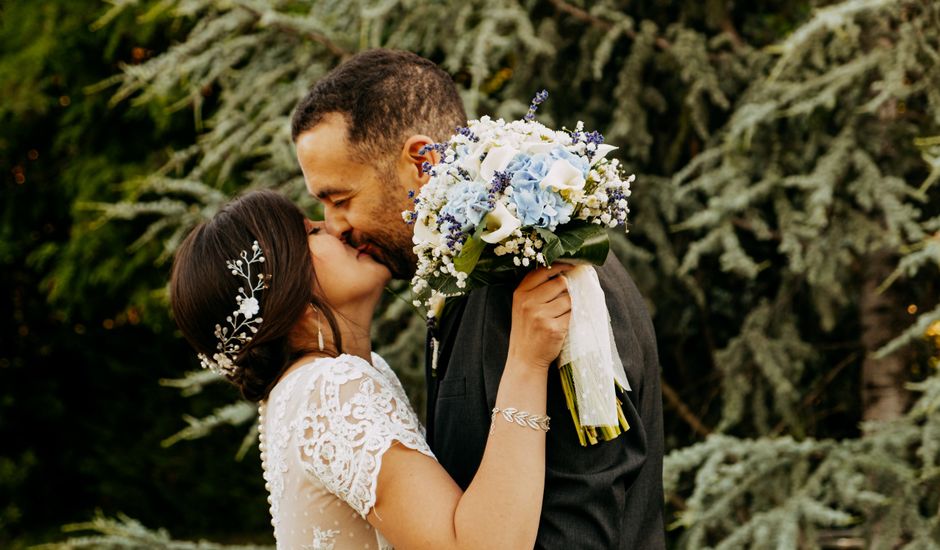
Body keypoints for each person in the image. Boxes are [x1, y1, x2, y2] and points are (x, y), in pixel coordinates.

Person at [291, 48, 666, 549]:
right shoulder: (470, 274)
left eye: (340, 199)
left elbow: (580, 520)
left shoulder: (541, 280)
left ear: (421, 161)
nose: (336, 226)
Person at [169, 190, 574, 549]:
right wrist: (527, 361)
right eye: (311, 233)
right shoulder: (328, 389)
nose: (336, 229)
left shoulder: (317, 384)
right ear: (281, 290)